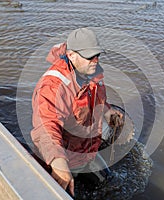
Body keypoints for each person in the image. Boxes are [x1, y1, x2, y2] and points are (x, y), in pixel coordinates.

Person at [30, 28, 123, 197]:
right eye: (89, 56)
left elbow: (96, 101)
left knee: (112, 186)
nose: (95, 60)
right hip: (65, 157)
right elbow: (46, 127)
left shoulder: (93, 72)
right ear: (72, 55)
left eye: (97, 55)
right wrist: (59, 163)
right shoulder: (53, 87)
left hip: (87, 152)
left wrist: (107, 111)